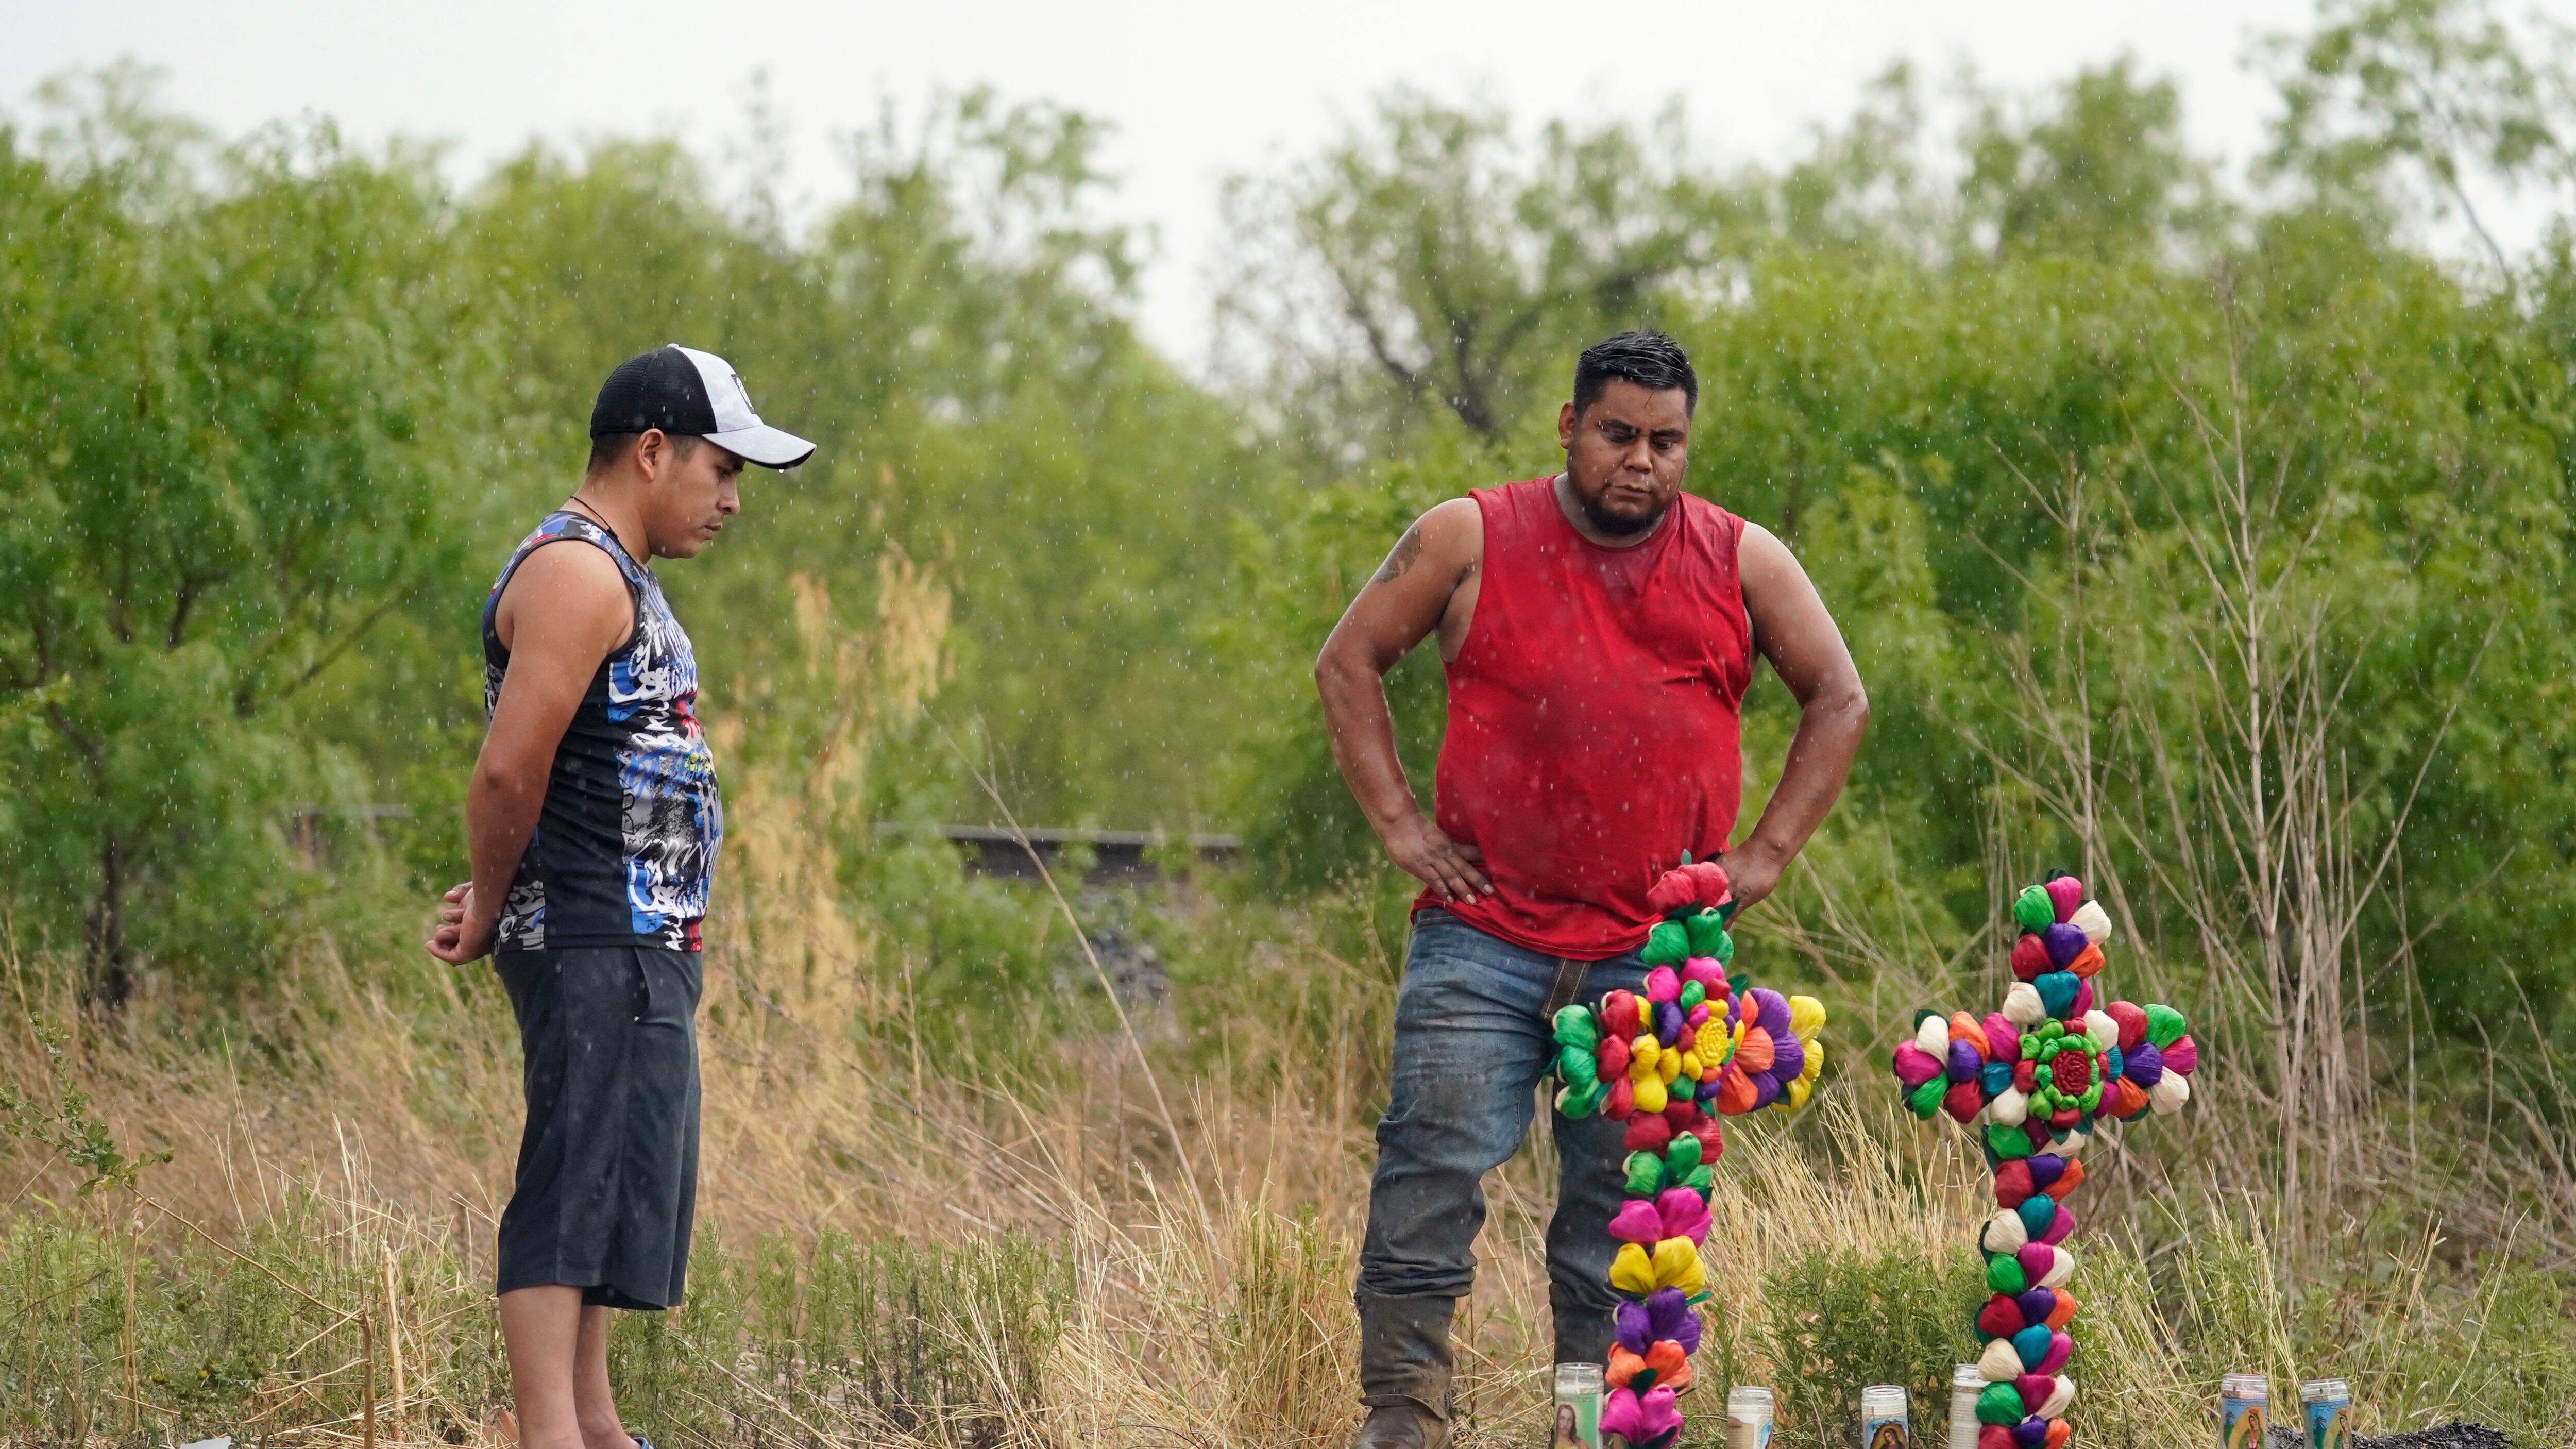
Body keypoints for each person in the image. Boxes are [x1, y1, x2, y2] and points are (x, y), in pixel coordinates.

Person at [1313, 331, 1867, 1449]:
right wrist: (1403, 829)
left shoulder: (1741, 557)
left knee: (1617, 1220)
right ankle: (1403, 1415)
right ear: (1568, 426)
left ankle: (1596, 1426)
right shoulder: (1470, 533)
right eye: (1618, 433)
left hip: (1653, 958)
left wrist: (1761, 859)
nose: (1642, 461)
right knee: (1430, 1173)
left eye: (1666, 441)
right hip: (1481, 935)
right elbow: (1346, 659)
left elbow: (1839, 696)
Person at [427, 344, 814, 1449]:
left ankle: (595, 1420)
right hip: (595, 928)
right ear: (653, 450)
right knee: (571, 1173)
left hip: (635, 936)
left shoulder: (616, 573)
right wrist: (498, 901)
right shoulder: (576, 572)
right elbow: (510, 766)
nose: (733, 500)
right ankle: (549, 1434)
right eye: (722, 470)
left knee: (614, 1177)